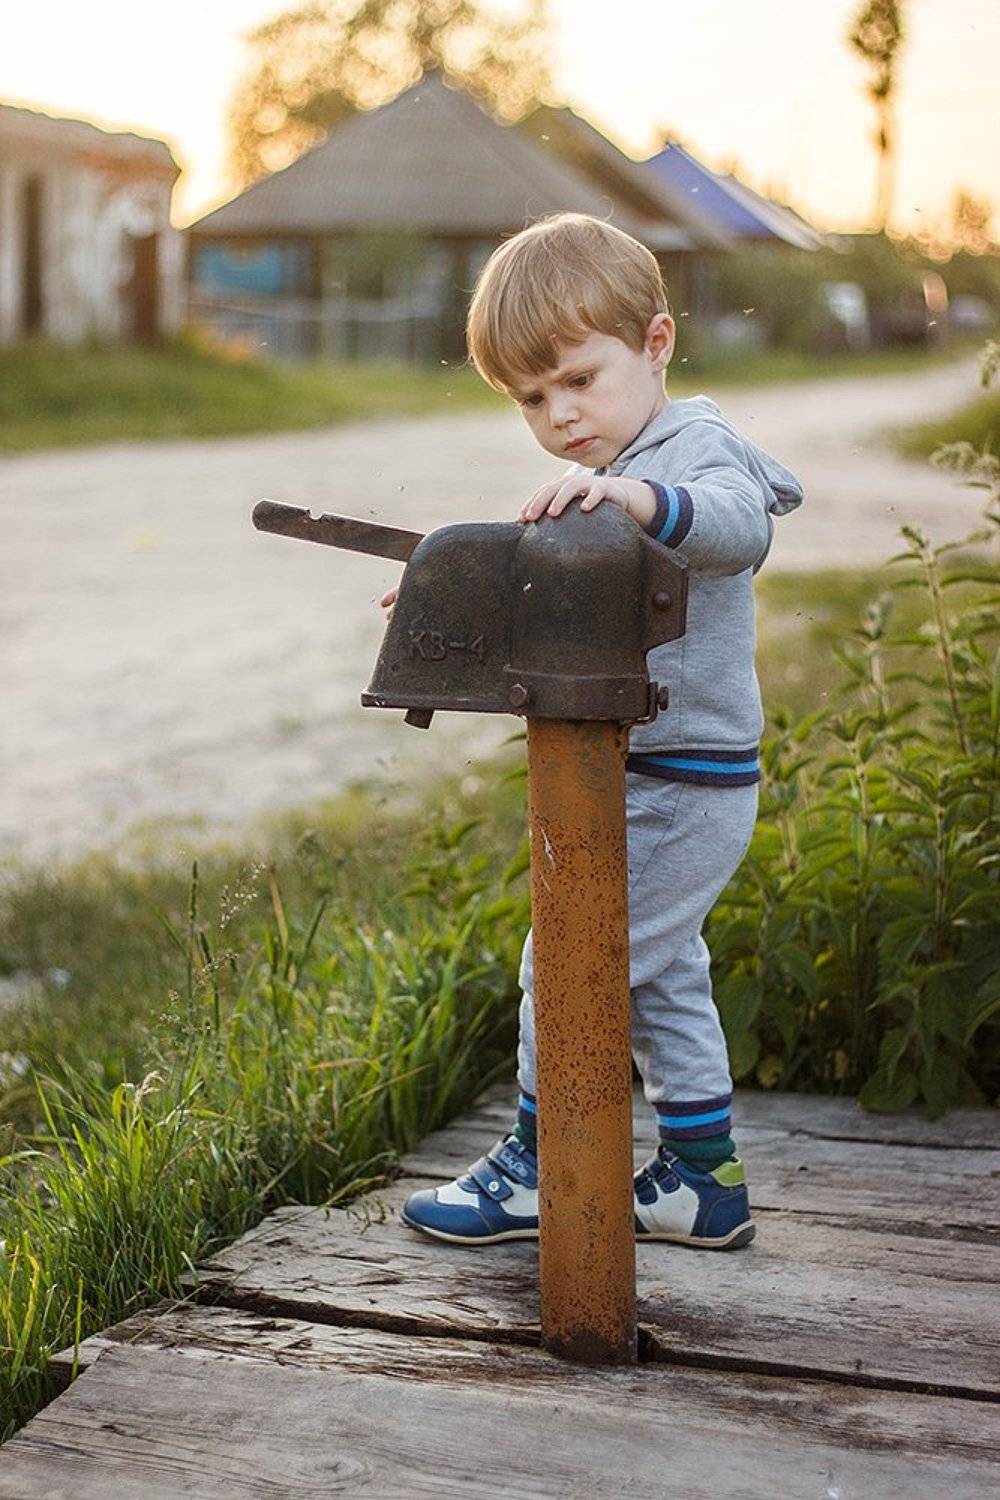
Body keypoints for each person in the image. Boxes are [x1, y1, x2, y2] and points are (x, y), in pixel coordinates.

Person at [391, 212, 803, 1248]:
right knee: (662, 976)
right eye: (532, 398)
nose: (561, 414)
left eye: (579, 378)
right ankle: (703, 1181)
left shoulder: (688, 451)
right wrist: (461, 592)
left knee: (569, 962)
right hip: (654, 771)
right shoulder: (607, 470)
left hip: (686, 777)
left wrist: (634, 498)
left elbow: (737, 526)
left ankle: (545, 1164)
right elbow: (560, 596)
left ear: (655, 343)